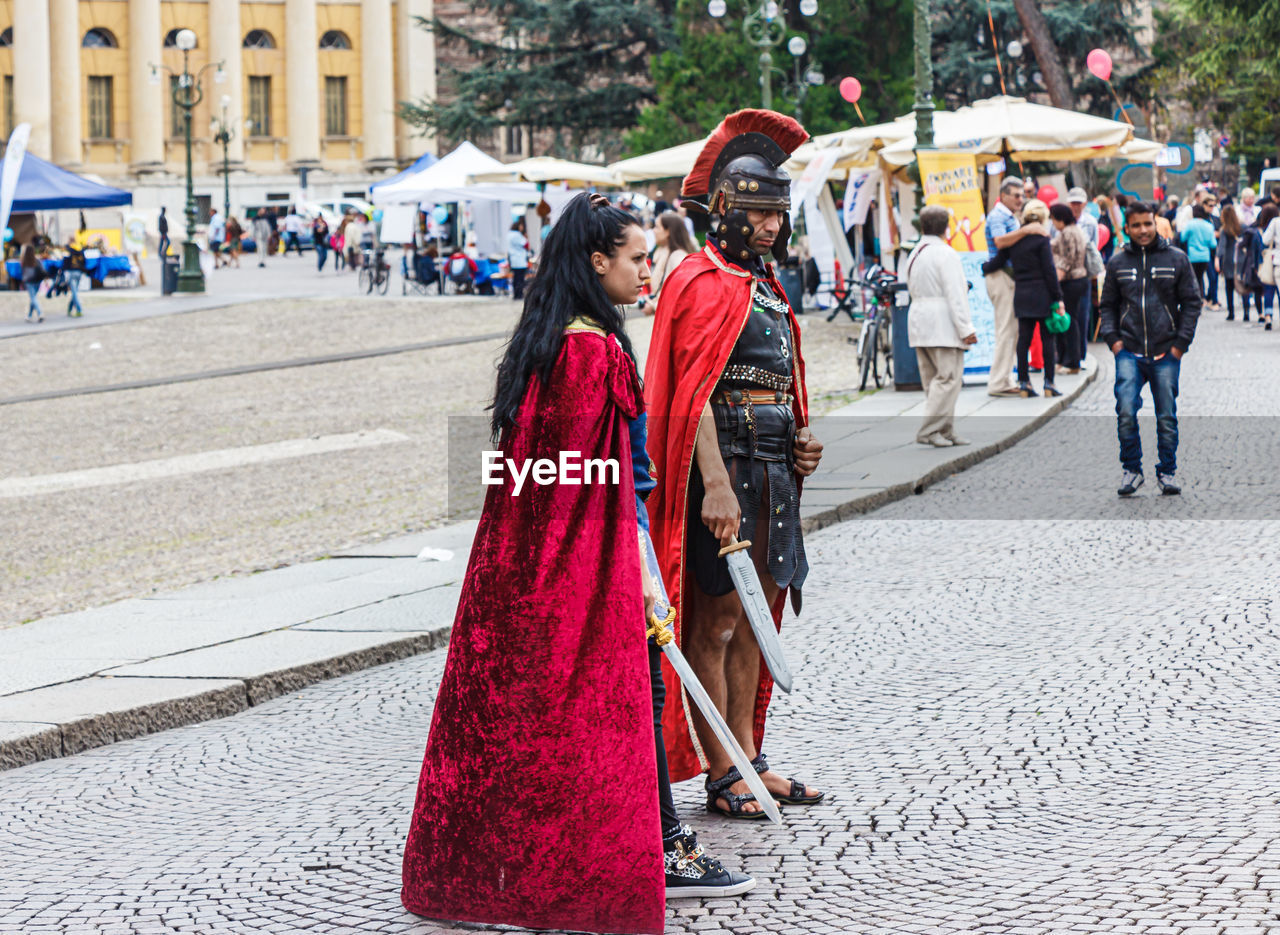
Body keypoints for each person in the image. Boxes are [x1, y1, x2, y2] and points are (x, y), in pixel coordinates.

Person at [400, 192, 753, 935]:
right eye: (635, 258)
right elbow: (603, 478)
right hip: (593, 564)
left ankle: (648, 844)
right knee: (625, 700)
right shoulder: (589, 352)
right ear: (598, 263)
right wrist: (640, 572)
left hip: (553, 565)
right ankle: (655, 849)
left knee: (578, 710)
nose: (646, 269)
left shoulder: (553, 341)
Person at [645, 109, 824, 821]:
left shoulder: (766, 285)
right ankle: (722, 769)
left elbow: (782, 380)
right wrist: (712, 483)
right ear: (723, 209)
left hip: (773, 469)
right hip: (720, 474)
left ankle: (752, 756)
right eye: (756, 214)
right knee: (714, 623)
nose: (770, 227)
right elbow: (693, 394)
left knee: (756, 622)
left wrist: (802, 440)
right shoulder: (695, 278)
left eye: (777, 215)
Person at [1098, 201, 1201, 497]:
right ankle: (1132, 469)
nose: (1143, 230)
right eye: (1136, 225)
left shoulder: (1176, 259)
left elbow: (1192, 302)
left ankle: (1167, 471)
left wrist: (1180, 345)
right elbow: (1107, 305)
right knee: (1126, 409)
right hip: (1128, 350)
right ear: (1127, 228)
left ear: (1155, 223)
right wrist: (1114, 342)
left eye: (1148, 224)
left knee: (1166, 414)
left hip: (1166, 351)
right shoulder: (1117, 263)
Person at [904, 205, 977, 447]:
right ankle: (930, 430)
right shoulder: (946, 253)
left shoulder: (915, 252)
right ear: (946, 227)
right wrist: (966, 328)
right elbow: (956, 293)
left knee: (934, 381)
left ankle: (945, 429)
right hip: (942, 322)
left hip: (919, 320)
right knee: (948, 379)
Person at [983, 199, 1063, 398]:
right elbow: (1049, 271)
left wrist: (983, 268)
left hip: (1021, 293)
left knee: (1023, 340)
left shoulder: (1015, 240)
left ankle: (1024, 383)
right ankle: (1049, 383)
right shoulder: (1042, 239)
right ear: (1043, 218)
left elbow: (998, 261)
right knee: (1047, 339)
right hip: (1042, 293)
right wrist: (1058, 297)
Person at [1049, 203, 1089, 373]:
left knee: (1068, 321)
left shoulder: (1067, 233)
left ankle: (1072, 361)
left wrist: (1056, 280)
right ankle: (1066, 359)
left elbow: (1067, 259)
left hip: (1071, 280)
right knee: (1070, 320)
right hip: (1078, 279)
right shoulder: (1075, 230)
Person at [645, 211, 697, 314]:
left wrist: (653, 307)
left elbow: (679, 297)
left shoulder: (678, 257)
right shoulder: (665, 251)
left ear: (668, 231)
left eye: (657, 227)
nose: (653, 231)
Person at [1182, 205, 1217, 307]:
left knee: (1194, 278)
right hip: (1205, 256)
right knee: (1200, 276)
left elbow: (1183, 238)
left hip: (1192, 255)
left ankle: (1196, 298)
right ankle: (1202, 298)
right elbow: (1213, 244)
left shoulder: (1190, 225)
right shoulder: (1209, 226)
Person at [1217, 204, 1243, 320]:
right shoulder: (1241, 228)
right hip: (1240, 260)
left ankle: (1231, 312)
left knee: (1229, 288)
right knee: (1242, 285)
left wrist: (1218, 259)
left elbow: (1222, 248)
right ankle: (1246, 312)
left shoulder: (1224, 230)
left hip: (1228, 261)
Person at [1262, 203, 1280, 325]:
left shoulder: (1276, 222)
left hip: (1276, 260)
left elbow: (1265, 239)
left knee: (1269, 288)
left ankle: (1268, 316)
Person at [506, 218, 531, 300]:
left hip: (513, 259)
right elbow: (526, 245)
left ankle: (516, 294)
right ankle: (519, 294)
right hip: (520, 260)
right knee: (520, 279)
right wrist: (526, 237)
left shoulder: (509, 234)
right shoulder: (517, 235)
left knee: (515, 278)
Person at [20, 242, 44, 323]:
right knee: (33, 298)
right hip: (37, 280)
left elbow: (22, 272)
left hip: (29, 281)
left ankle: (40, 313)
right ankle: (29, 316)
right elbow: (42, 270)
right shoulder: (36, 260)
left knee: (33, 298)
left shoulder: (24, 261)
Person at [63, 238, 86, 318]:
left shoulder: (68, 250)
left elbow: (65, 262)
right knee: (74, 291)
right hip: (79, 272)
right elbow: (84, 261)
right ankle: (69, 309)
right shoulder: (80, 249)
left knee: (74, 292)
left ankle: (79, 309)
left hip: (71, 272)